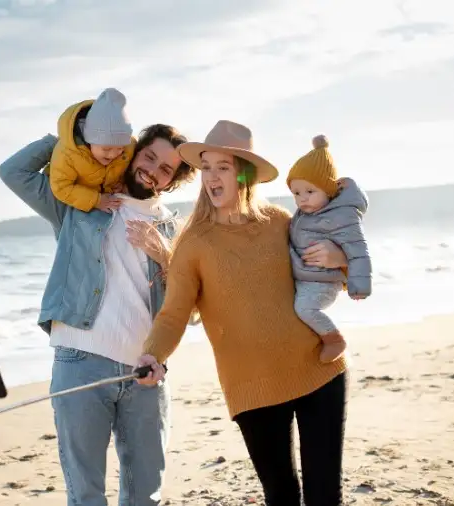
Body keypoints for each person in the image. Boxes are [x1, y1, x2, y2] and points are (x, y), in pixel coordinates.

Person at [136, 120, 350, 506]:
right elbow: (173, 315)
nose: (211, 177)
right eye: (206, 167)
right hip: (252, 388)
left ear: (244, 174)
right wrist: (153, 354)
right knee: (282, 496)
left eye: (223, 167)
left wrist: (339, 258)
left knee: (325, 496)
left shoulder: (282, 223)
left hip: (318, 368)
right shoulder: (193, 243)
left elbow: (328, 273)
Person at [0, 123, 196, 506]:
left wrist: (164, 255)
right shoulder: (80, 203)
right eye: (149, 156)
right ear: (133, 151)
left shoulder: (174, 229)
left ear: (172, 181)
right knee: (86, 494)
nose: (153, 170)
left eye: (166, 169)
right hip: (81, 360)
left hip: (147, 371)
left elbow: (190, 311)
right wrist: (81, 139)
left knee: (145, 496)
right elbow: (14, 172)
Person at [287, 134, 372, 363]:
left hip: (324, 282)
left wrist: (359, 286)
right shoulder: (306, 213)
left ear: (328, 190)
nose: (302, 199)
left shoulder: (342, 216)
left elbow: (358, 250)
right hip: (306, 277)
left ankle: (334, 339)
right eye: (296, 193)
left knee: (304, 309)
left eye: (310, 191)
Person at [47, 87, 136, 213]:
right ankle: (47, 142)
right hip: (72, 201)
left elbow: (131, 169)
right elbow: (61, 187)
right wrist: (96, 200)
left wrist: (122, 183)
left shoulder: (130, 147)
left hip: (110, 200)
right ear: (90, 140)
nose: (113, 154)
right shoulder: (68, 154)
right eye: (106, 148)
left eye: (120, 148)